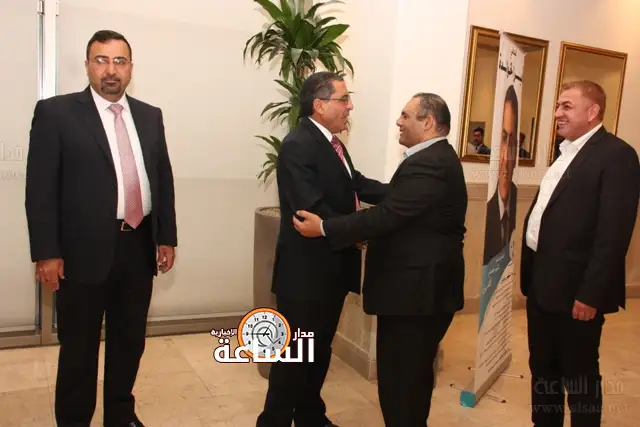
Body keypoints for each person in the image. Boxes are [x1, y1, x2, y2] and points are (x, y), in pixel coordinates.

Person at [25, 30, 177, 427]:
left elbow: (162, 178)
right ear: (88, 65)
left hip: (138, 246)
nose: (111, 70)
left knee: (129, 342)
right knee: (79, 349)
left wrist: (166, 237)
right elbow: (40, 189)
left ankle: (120, 415)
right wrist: (46, 252)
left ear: (131, 68)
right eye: (102, 60)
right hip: (80, 254)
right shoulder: (56, 113)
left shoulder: (150, 115)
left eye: (119, 61)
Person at [293, 93, 467, 427]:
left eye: (406, 115)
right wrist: (348, 185)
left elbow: (389, 215)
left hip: (416, 296)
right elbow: (397, 202)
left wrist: (326, 227)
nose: (399, 122)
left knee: (402, 384)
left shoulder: (431, 162)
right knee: (408, 380)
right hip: (417, 294)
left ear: (428, 122)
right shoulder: (431, 159)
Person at [256, 71, 388, 427]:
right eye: (344, 99)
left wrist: (403, 192)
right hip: (305, 274)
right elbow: (309, 208)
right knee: (295, 357)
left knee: (318, 352)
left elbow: (355, 184)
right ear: (319, 104)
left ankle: (310, 416)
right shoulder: (298, 145)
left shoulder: (333, 144)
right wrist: (354, 229)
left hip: (331, 269)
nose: (350, 106)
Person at [521, 80, 640, 427]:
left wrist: (591, 294)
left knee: (579, 377)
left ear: (593, 112)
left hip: (577, 293)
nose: (557, 113)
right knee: (543, 370)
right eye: (558, 106)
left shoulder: (617, 155)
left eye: (567, 106)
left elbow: (613, 234)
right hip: (542, 285)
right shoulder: (565, 152)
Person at [483, 85, 519, 265]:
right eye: (503, 140)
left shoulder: (515, 197)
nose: (506, 157)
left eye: (512, 142)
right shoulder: (488, 211)